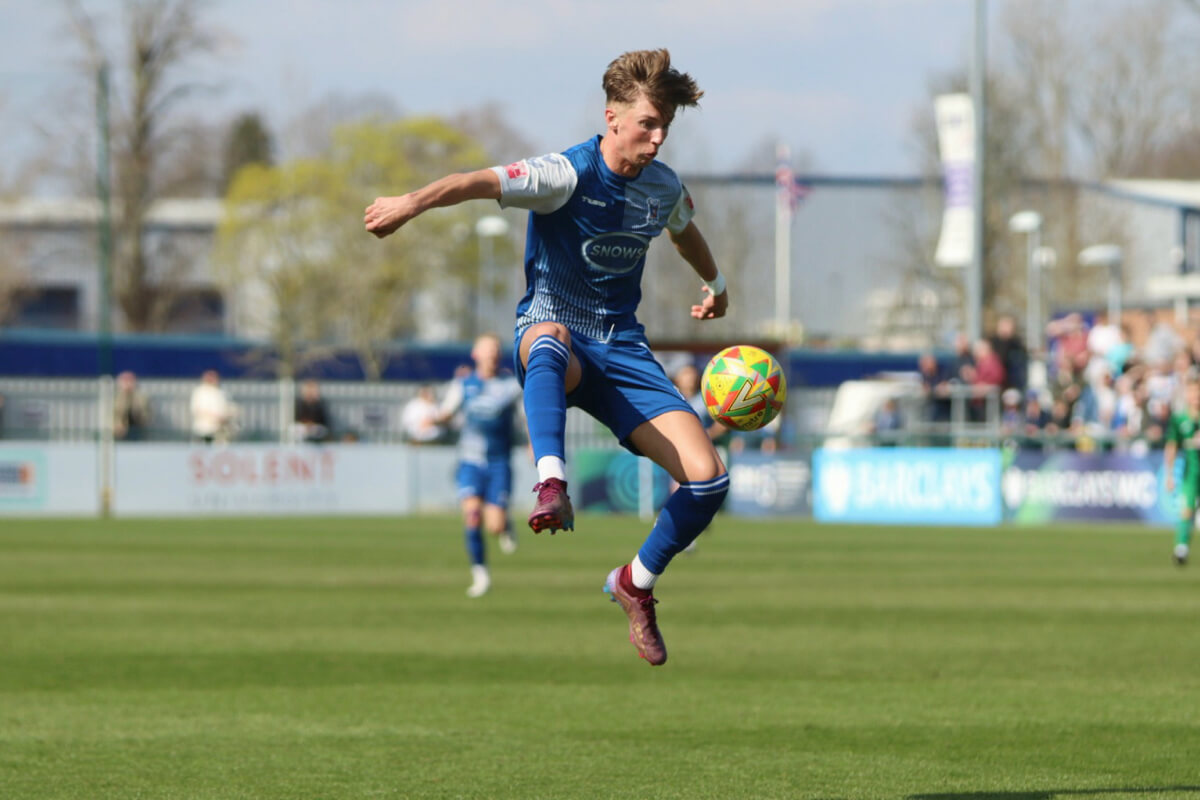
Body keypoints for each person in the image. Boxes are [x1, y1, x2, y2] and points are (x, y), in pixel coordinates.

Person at [366, 49, 728, 666]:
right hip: (556, 340)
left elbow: (683, 227)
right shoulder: (564, 173)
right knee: (549, 335)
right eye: (647, 123)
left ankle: (635, 583)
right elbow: (477, 181)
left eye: (666, 124)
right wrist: (412, 202)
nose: (658, 136)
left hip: (624, 349)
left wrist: (717, 285)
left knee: (709, 477)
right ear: (612, 117)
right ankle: (551, 483)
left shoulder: (663, 185)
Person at [436, 333, 523, 598]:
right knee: (472, 516)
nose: (492, 355)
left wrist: (534, 444)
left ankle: (504, 523)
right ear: (476, 355)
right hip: (470, 462)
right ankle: (480, 574)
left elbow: (527, 417)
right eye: (487, 351)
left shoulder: (511, 386)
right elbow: (448, 412)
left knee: (493, 526)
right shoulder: (463, 385)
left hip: (499, 463)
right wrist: (433, 421)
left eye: (496, 350)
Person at [1163, 374, 1200, 566]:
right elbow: (1172, 446)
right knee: (1186, 510)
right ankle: (1181, 549)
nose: (1196, 396)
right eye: (1193, 391)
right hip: (1191, 473)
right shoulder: (1180, 418)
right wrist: (1169, 475)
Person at [190, 369, 234, 444]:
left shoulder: (221, 392)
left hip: (220, 429)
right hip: (204, 429)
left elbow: (227, 408)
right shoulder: (200, 392)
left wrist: (225, 417)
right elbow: (197, 409)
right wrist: (214, 417)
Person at [113, 370, 151, 441]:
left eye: (130, 381)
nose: (127, 384)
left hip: (138, 433)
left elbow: (147, 416)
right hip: (118, 435)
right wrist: (118, 425)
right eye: (125, 381)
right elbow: (111, 416)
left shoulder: (142, 398)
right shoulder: (115, 398)